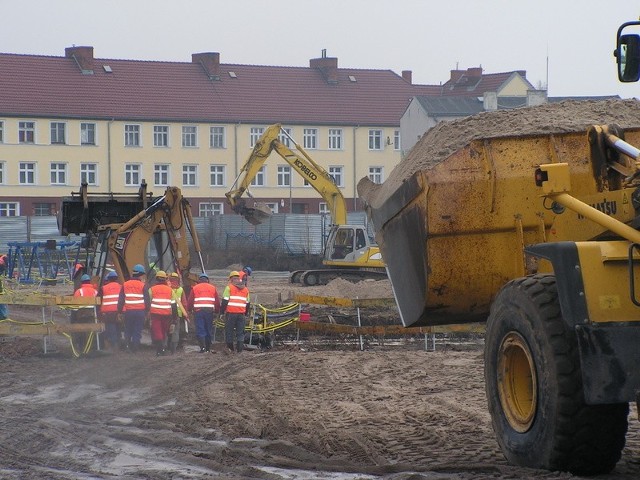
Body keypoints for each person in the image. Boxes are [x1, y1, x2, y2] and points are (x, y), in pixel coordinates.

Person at [118, 263, 147, 353]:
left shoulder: (125, 285)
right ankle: (135, 348)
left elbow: (121, 300)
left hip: (129, 311)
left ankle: (127, 346)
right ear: (140, 275)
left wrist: (119, 312)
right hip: (140, 312)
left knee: (128, 329)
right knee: (137, 330)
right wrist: (147, 312)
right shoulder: (143, 285)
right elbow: (147, 300)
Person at [187, 272, 219, 353]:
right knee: (208, 329)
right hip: (209, 311)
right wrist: (217, 311)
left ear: (199, 280)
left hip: (198, 311)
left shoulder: (195, 288)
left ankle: (203, 348)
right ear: (207, 280)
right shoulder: (213, 288)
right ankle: (208, 348)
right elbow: (217, 301)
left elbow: (190, 300)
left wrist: (189, 309)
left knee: (200, 328)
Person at [221, 270, 250, 354]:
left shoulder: (229, 287)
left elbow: (224, 301)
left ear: (231, 279)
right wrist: (246, 313)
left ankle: (231, 349)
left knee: (229, 331)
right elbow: (248, 303)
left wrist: (222, 312)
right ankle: (239, 350)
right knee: (240, 333)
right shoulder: (245, 289)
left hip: (231, 313)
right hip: (241, 314)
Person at [147, 270, 175, 356]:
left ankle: (160, 349)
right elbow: (173, 305)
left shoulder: (151, 289)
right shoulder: (170, 290)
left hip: (155, 314)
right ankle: (162, 347)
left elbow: (148, 302)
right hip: (167, 314)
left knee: (157, 331)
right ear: (165, 279)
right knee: (163, 331)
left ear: (156, 279)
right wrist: (174, 318)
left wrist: (147, 314)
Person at [72, 273, 98, 350]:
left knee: (81, 330)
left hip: (81, 314)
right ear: (89, 281)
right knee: (91, 331)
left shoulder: (79, 291)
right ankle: (92, 346)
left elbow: (75, 306)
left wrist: (74, 316)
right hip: (92, 314)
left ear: (82, 282)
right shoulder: (95, 291)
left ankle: (82, 346)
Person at [98, 271, 122, 351]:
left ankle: (113, 344)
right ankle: (118, 343)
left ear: (108, 279)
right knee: (118, 327)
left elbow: (98, 300)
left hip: (108, 311)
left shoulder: (103, 288)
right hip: (119, 311)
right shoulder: (121, 287)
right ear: (116, 279)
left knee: (111, 327)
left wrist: (99, 312)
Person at [168, 272, 189, 353]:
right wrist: (186, 314)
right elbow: (184, 303)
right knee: (175, 331)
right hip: (178, 314)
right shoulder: (180, 290)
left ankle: (166, 345)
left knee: (167, 330)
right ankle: (173, 348)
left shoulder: (167, 288)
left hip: (167, 312)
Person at [0, 253, 9, 320]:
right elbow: (5, 268)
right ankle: (3, 315)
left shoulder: (3, 258)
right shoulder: (4, 258)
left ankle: (3, 315)